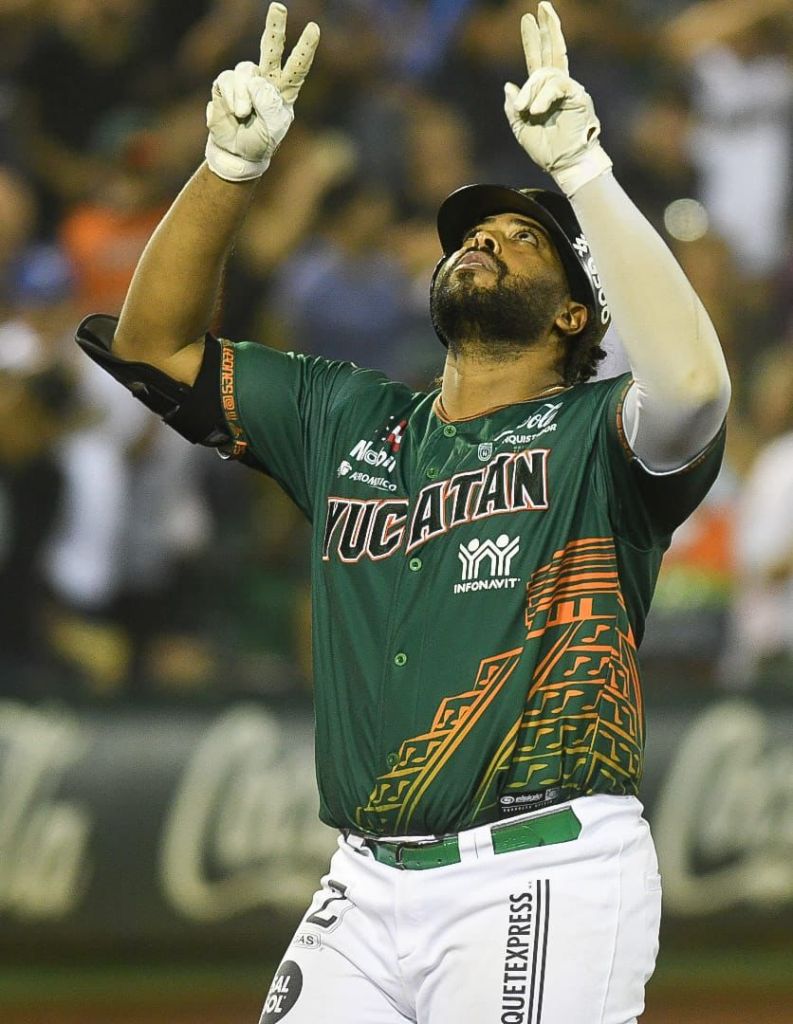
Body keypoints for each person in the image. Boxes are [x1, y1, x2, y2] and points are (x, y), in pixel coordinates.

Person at [75, 3, 730, 1022]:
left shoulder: (601, 438)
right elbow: (151, 344)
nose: (483, 239)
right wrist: (227, 170)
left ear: (575, 312)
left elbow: (690, 384)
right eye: (473, 233)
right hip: (362, 880)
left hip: (542, 868)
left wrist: (583, 171)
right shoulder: (347, 418)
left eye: (521, 238)